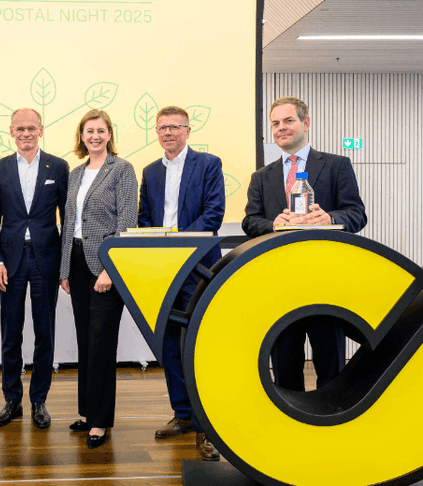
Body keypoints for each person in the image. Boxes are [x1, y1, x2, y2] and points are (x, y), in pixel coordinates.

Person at [242, 96, 367, 391]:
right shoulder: (261, 177)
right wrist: (273, 224)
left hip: (325, 280)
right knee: (284, 364)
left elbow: (356, 214)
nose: (281, 128)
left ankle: (333, 413)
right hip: (280, 282)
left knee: (330, 363)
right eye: (275, 123)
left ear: (306, 122)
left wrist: (330, 218)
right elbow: (250, 221)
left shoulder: (336, 165)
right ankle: (288, 414)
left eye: (289, 120)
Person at [138, 106, 225, 461]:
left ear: (188, 131)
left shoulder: (208, 164)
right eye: (162, 128)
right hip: (163, 269)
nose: (168, 133)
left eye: (175, 127)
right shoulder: (150, 171)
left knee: (197, 346)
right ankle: (183, 415)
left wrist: (176, 244)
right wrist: (158, 248)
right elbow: (145, 218)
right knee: (170, 343)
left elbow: (213, 214)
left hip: (198, 266)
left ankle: (207, 428)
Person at [0, 108, 69, 429]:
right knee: (11, 333)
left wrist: (65, 265)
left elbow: (67, 217)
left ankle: (39, 401)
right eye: (20, 128)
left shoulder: (58, 167)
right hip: (10, 261)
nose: (26, 134)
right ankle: (12, 400)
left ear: (41, 130)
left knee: (45, 333)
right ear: (11, 131)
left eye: (31, 128)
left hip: (46, 259)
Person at [58, 109, 137, 449]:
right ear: (81, 135)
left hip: (105, 264)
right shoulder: (75, 173)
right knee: (85, 340)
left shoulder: (122, 169)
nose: (95, 136)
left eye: (101, 130)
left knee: (102, 342)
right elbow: (69, 224)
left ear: (109, 135)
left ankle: (101, 421)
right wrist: (64, 270)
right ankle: (88, 412)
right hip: (76, 263)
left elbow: (127, 222)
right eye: (89, 131)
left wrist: (110, 269)